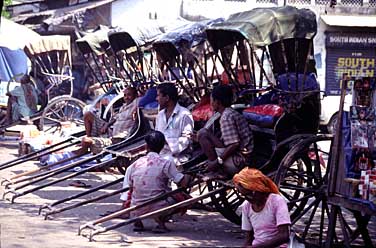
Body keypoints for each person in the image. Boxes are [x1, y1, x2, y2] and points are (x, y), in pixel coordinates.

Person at [120, 131, 191, 233]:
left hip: (136, 208)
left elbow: (128, 188)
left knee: (135, 192)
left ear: (146, 146)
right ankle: (160, 222)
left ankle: (138, 222)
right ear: (162, 146)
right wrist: (186, 178)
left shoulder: (134, 165)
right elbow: (182, 183)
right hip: (158, 207)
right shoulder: (166, 163)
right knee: (184, 198)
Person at [197, 84, 253, 176]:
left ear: (217, 102)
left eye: (211, 100)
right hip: (243, 156)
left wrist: (217, 161)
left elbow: (234, 144)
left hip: (239, 161)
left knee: (203, 133)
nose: (210, 103)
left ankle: (219, 170)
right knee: (202, 133)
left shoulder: (226, 117)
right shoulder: (228, 112)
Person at [233, 168, 291, 248]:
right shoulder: (246, 206)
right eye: (244, 196)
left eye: (249, 194)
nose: (248, 198)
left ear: (259, 189)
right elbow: (249, 238)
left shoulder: (276, 201)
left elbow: (284, 235)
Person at [76, 86, 138, 155]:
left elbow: (141, 98)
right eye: (125, 95)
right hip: (110, 130)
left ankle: (86, 145)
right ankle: (89, 138)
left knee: (85, 141)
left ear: (135, 95)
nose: (126, 97)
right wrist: (106, 125)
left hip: (117, 138)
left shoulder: (135, 104)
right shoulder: (124, 106)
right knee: (88, 115)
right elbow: (115, 117)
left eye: (129, 95)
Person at [155, 82, 194, 164]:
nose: (156, 98)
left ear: (167, 98)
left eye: (158, 95)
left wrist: (166, 142)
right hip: (161, 154)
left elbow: (187, 140)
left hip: (178, 156)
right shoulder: (160, 115)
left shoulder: (184, 114)